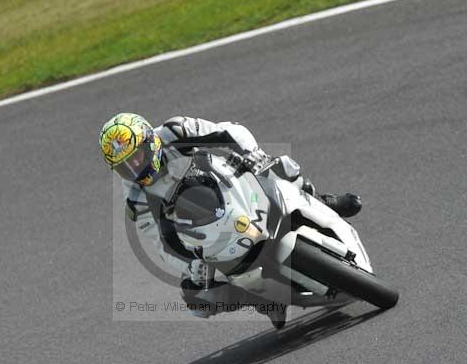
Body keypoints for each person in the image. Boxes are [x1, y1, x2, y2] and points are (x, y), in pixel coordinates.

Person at [99, 112, 361, 322]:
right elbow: (162, 244)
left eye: (137, 157)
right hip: (206, 229)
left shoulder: (175, 131)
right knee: (197, 299)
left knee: (281, 166)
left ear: (150, 142)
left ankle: (322, 200)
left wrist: (251, 152)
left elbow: (228, 130)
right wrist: (190, 264)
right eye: (125, 166)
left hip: (227, 183)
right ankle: (265, 300)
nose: (135, 168)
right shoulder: (136, 198)